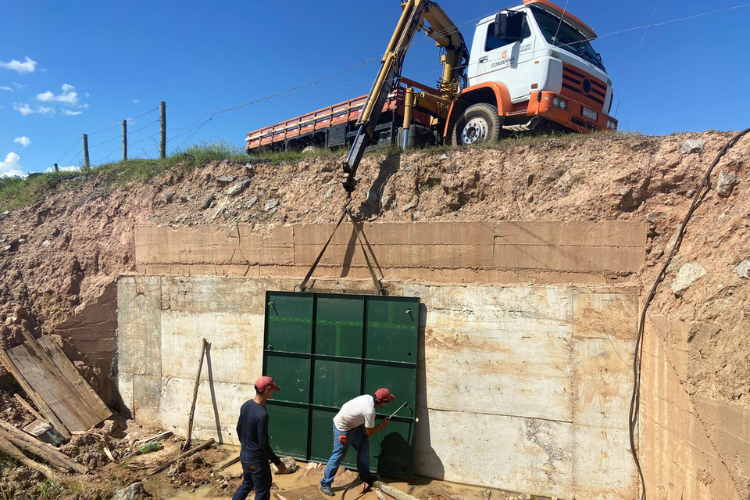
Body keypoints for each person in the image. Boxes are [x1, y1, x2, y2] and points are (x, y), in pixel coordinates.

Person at [319, 388, 395, 497]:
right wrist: (383, 425)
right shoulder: (370, 411)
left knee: (364, 446)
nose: (387, 404)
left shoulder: (367, 398)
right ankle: (325, 484)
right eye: (387, 401)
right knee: (337, 455)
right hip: (343, 428)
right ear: (382, 402)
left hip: (352, 425)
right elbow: (371, 432)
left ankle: (365, 475)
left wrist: (364, 431)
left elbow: (359, 418)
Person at [233, 375, 287, 500]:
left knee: (247, 484)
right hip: (257, 461)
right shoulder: (262, 414)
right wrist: (277, 462)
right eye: (272, 389)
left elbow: (238, 429)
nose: (273, 391)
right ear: (267, 391)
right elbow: (263, 443)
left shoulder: (246, 405)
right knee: (262, 492)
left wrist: (246, 447)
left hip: (245, 456)